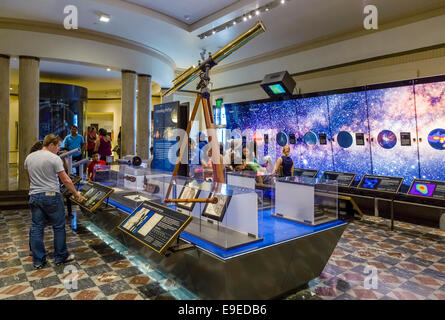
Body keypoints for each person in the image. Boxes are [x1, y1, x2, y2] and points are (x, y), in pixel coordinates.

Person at [25, 134, 85, 269]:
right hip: (51, 195)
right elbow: (65, 179)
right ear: (51, 144)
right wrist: (76, 193)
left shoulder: (29, 158)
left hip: (34, 195)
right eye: (58, 146)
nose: (58, 149)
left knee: (36, 228)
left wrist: (34, 192)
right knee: (58, 226)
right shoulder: (54, 158)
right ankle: (61, 256)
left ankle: (38, 261)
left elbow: (30, 180)